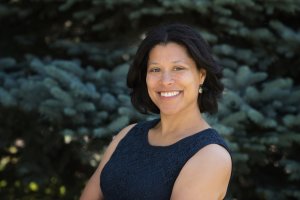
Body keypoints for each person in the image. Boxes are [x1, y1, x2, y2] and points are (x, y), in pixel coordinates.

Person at [80, 23, 232, 200]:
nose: (165, 80)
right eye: (155, 69)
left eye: (178, 68)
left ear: (201, 75)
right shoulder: (127, 135)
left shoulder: (210, 156)